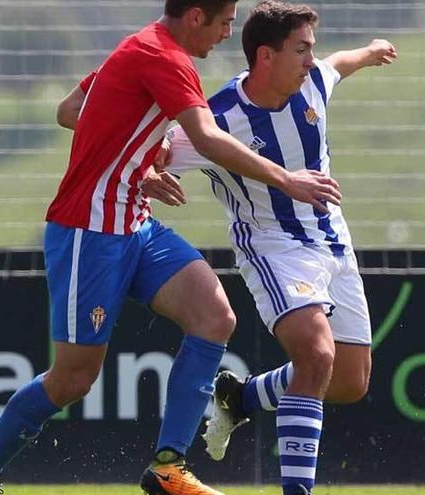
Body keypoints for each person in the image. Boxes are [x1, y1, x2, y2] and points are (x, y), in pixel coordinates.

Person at [0, 1, 342, 495]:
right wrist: (285, 178)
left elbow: (70, 109)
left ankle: (168, 467)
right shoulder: (165, 58)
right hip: (88, 232)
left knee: (214, 317)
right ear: (197, 16)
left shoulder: (138, 47)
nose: (227, 36)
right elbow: (204, 137)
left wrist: (136, 164)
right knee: (74, 379)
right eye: (224, 23)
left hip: (135, 224)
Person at [153, 2, 397, 494]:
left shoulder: (313, 85)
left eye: (312, 48)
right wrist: (147, 173)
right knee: (316, 355)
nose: (312, 59)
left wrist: (370, 51)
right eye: (301, 49)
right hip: (273, 248)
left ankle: (240, 397)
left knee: (349, 381)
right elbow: (150, 148)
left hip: (333, 242)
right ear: (266, 56)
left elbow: (339, 63)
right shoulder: (215, 120)